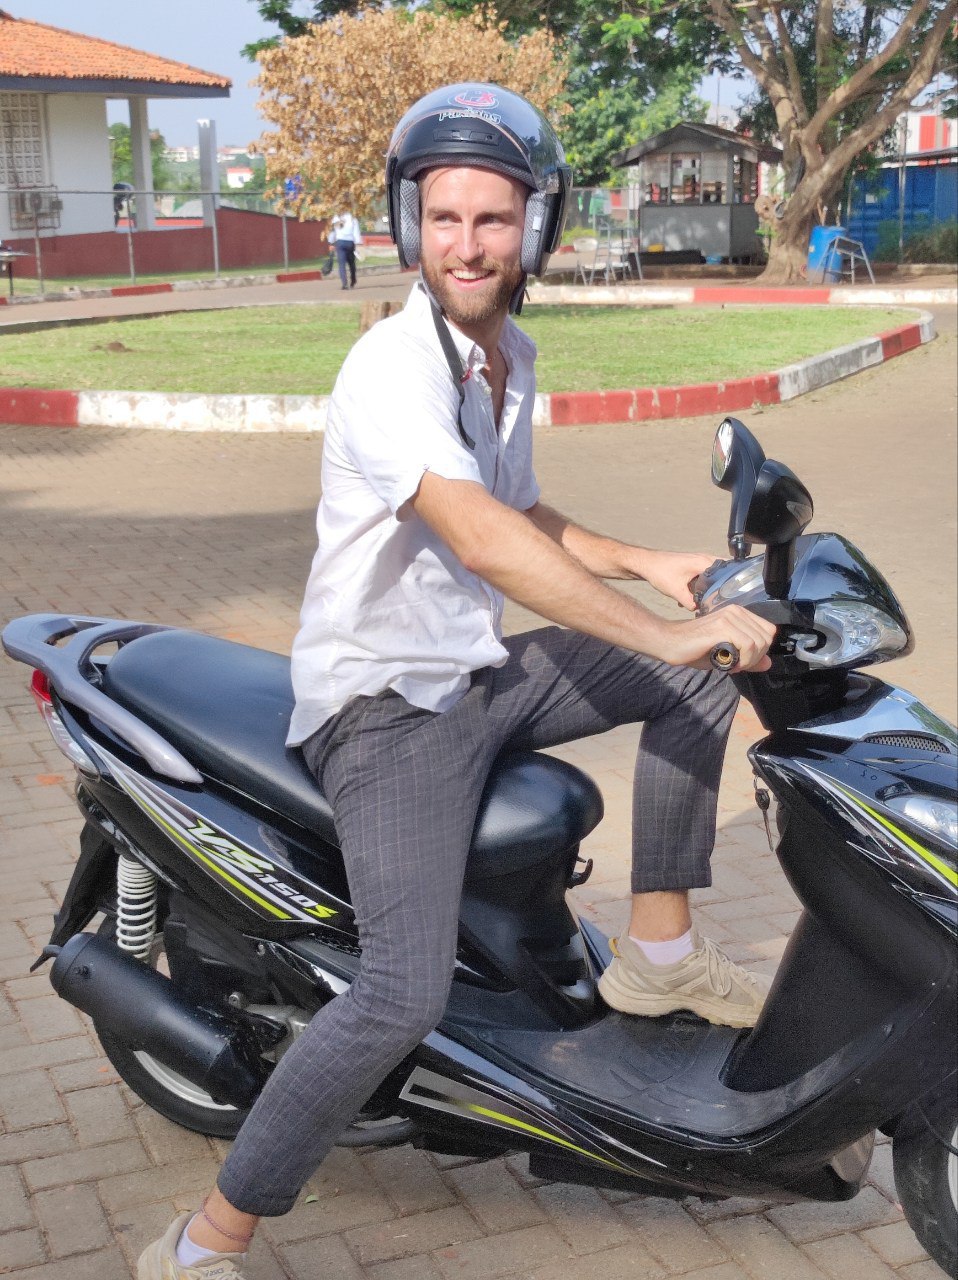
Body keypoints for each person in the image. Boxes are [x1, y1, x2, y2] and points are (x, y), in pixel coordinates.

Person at [138, 82, 776, 1280]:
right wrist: (657, 632)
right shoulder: (391, 364)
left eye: (493, 219)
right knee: (398, 991)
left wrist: (657, 568)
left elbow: (517, 508)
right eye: (444, 218)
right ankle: (204, 1239)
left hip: (476, 672)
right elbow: (481, 540)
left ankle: (657, 951)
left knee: (701, 680)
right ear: (407, 222)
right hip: (386, 710)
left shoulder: (503, 352)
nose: (467, 243)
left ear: (536, 224)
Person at [331, 209, 362, 289]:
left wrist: (331, 242)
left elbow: (334, 231)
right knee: (351, 263)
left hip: (340, 242)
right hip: (350, 242)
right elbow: (356, 233)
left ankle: (344, 283)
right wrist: (358, 244)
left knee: (341, 264)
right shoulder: (353, 218)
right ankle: (353, 280)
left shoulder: (336, 217)